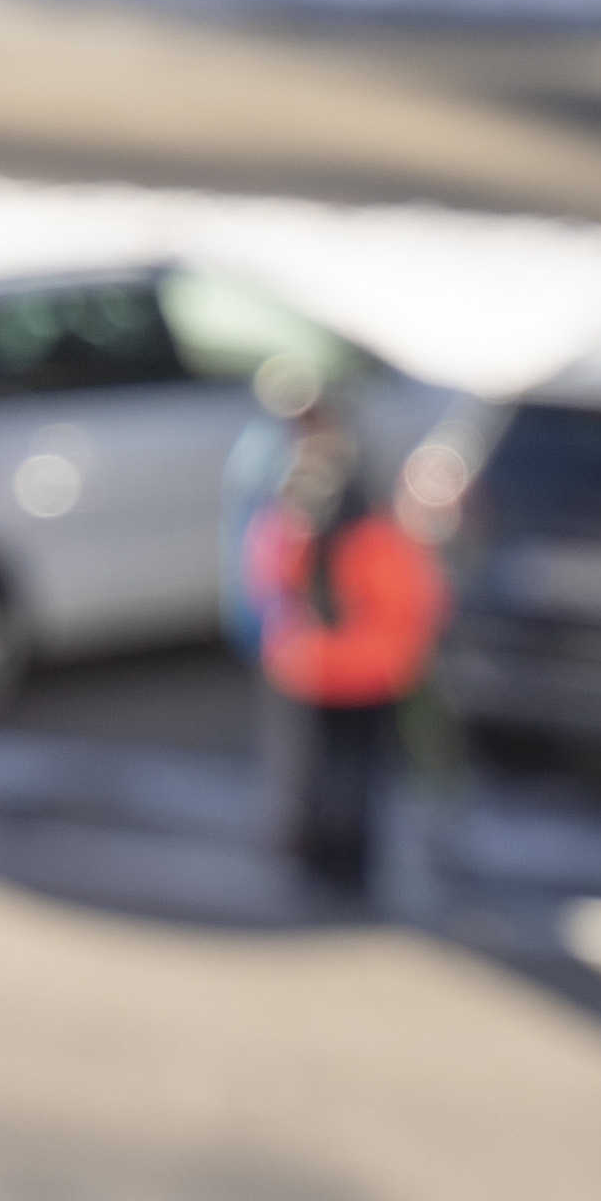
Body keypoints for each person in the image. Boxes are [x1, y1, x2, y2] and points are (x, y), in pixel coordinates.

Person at [243, 383, 445, 897]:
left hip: (307, 668)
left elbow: (264, 586)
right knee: (358, 774)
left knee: (306, 769)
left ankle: (308, 856)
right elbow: (417, 602)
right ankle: (350, 866)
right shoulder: (381, 537)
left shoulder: (289, 528)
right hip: (370, 675)